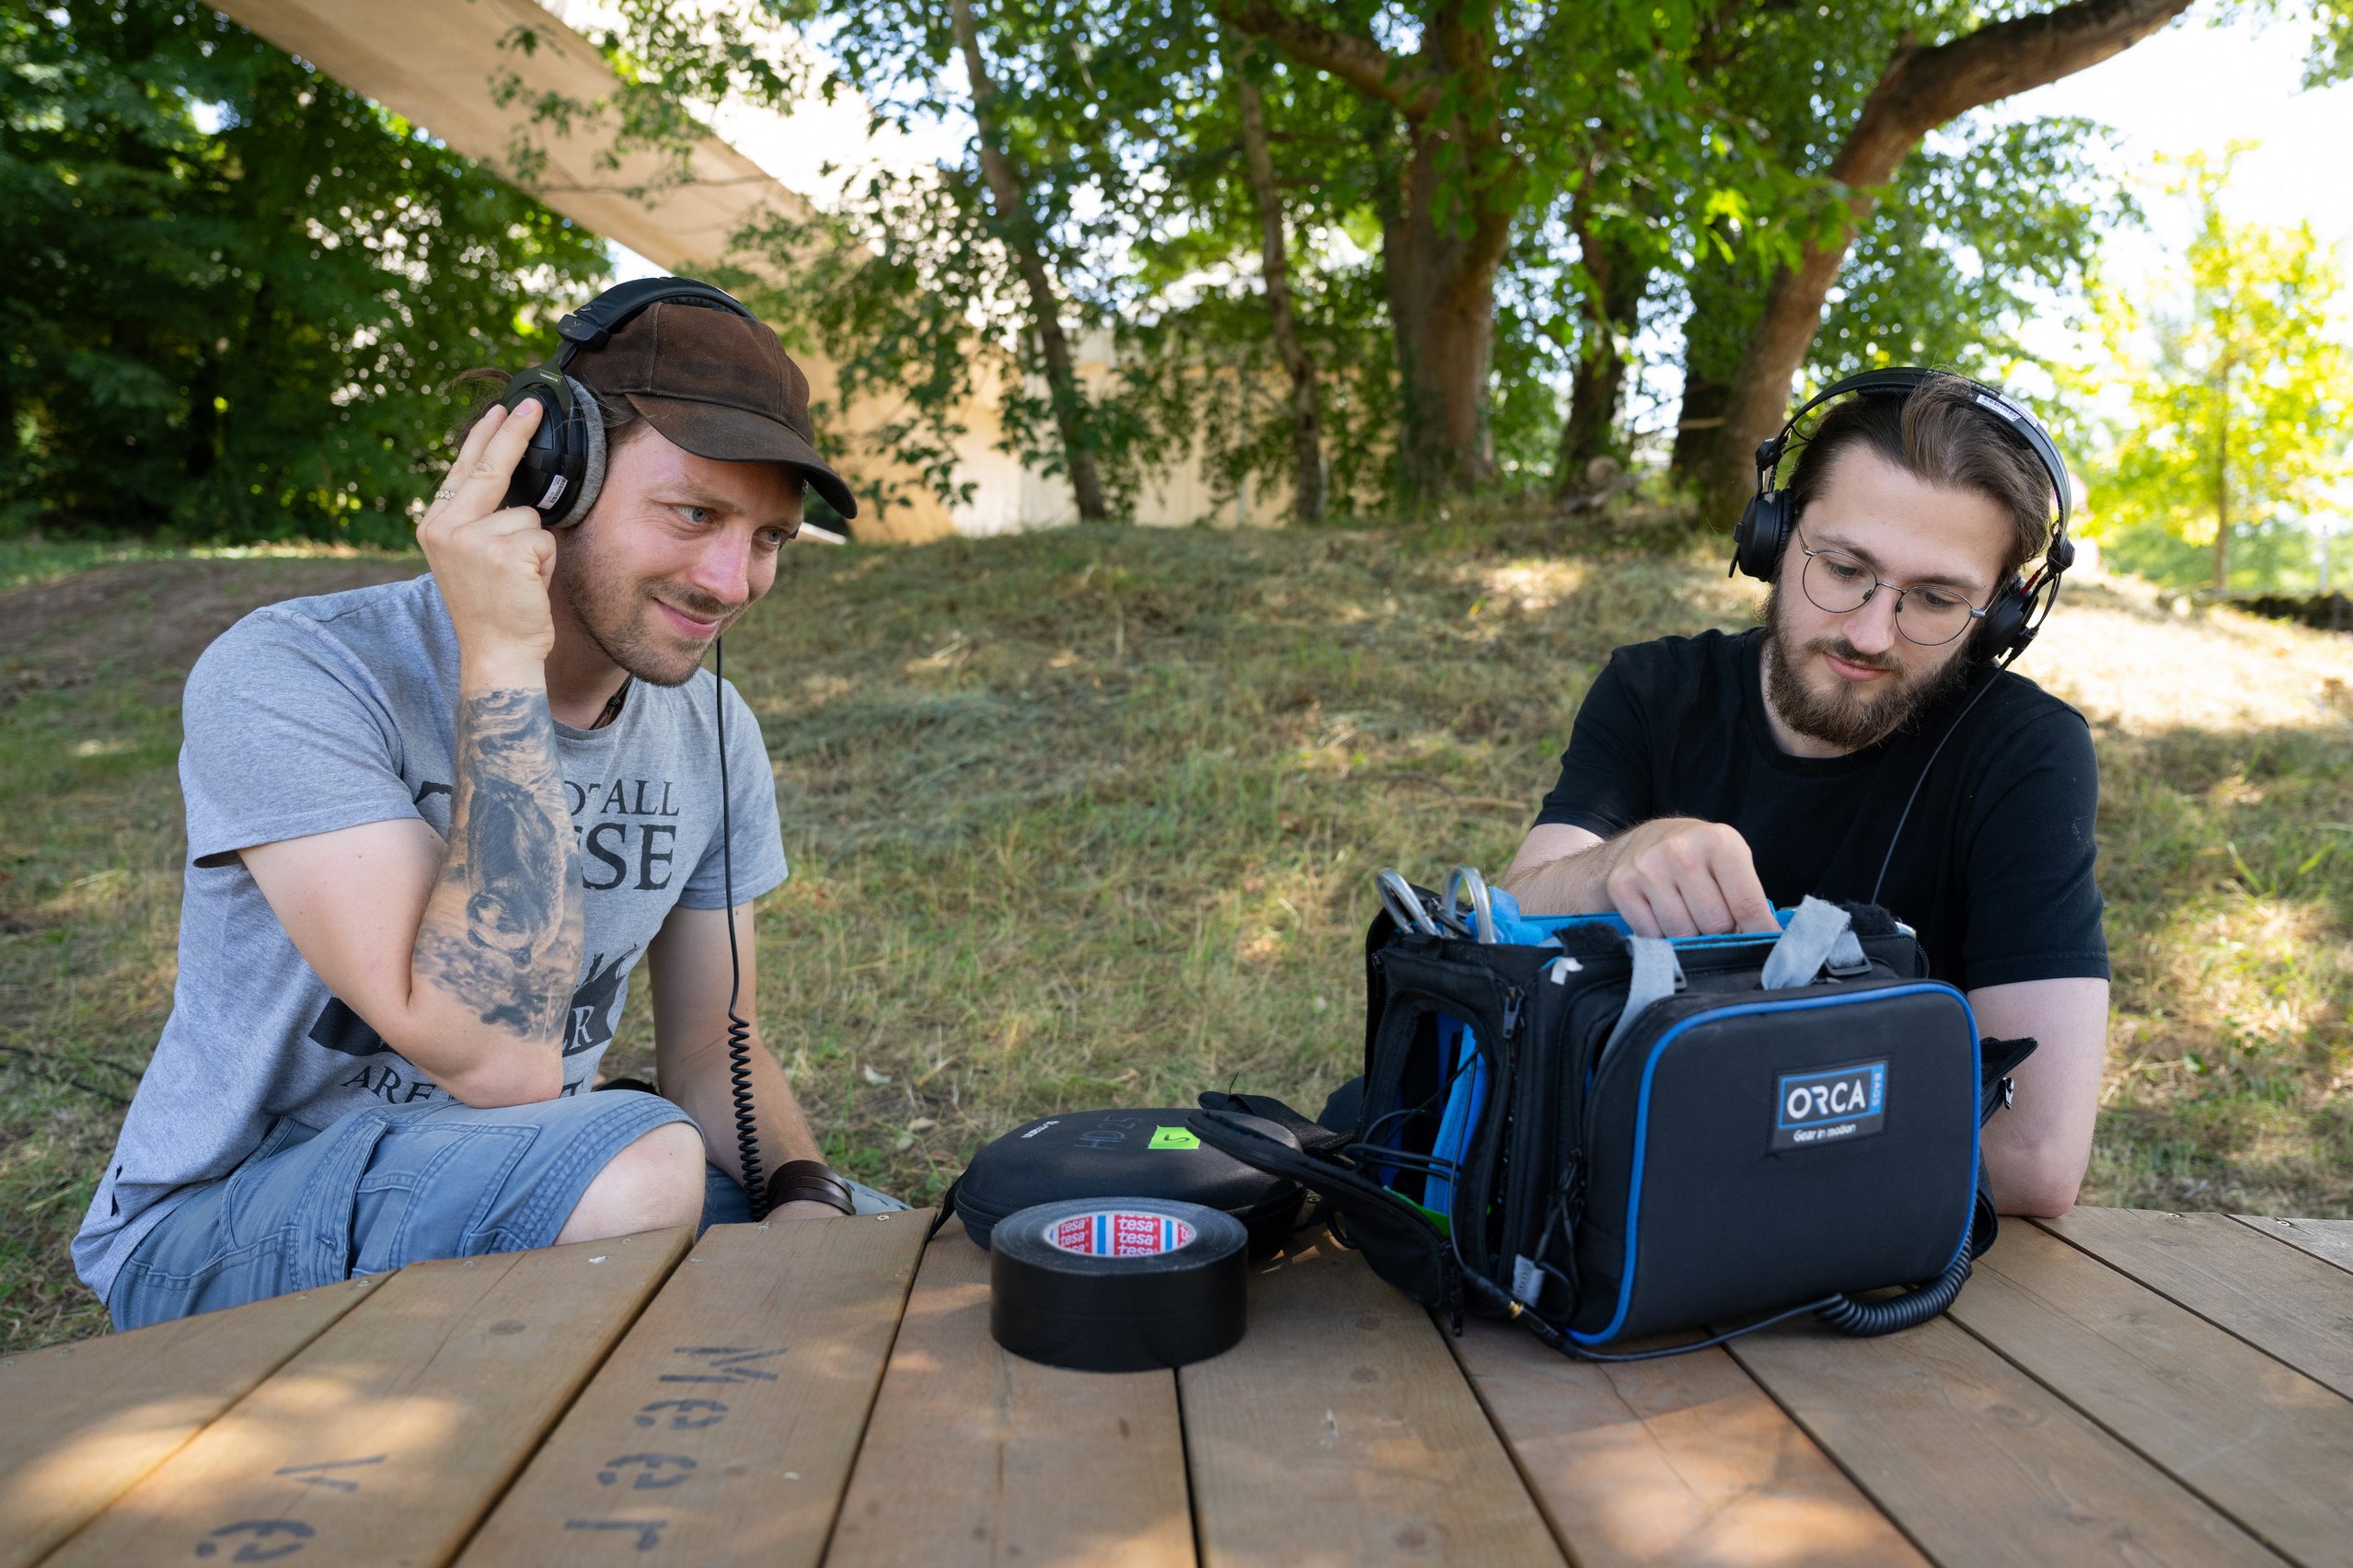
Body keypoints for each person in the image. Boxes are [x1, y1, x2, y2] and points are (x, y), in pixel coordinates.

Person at [75, 279, 897, 1331]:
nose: (731, 580)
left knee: (911, 1266)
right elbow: (500, 1060)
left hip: (532, 1177)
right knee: (641, 1170)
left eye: (770, 538)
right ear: (551, 477)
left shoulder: (716, 735)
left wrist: (803, 1200)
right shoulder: (295, 672)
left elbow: (709, 1048)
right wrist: (504, 653)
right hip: (217, 1230)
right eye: (695, 514)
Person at [1498, 371, 2106, 1217]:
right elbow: (1506, 919)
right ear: (1772, 537)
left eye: (1935, 599)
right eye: (1845, 567)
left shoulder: (2026, 753)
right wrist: (1612, 865)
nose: (1868, 632)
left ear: (2003, 618)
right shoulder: (1653, 690)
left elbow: (2035, 1157)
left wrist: (1685, 1140)